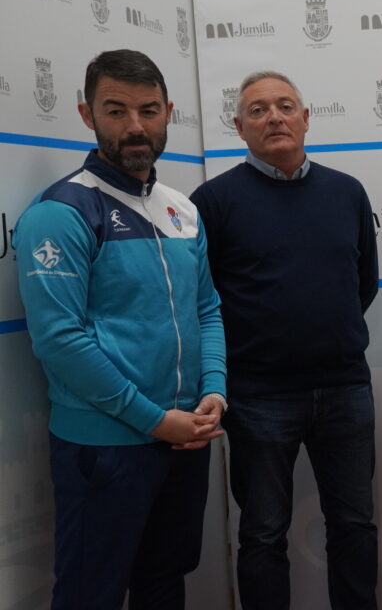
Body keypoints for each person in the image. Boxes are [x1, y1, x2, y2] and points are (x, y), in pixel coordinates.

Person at [14, 49, 227, 609]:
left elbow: (206, 309)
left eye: (149, 110)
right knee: (91, 593)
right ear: (87, 115)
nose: (136, 127)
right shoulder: (60, 212)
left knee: (163, 581)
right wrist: (154, 421)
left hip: (185, 435)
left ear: (168, 112)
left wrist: (214, 391)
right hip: (108, 444)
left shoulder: (182, 209)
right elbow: (61, 341)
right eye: (116, 110)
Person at [190, 71, 379, 610]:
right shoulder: (213, 201)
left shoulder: (347, 191)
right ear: (238, 127)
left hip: (345, 388)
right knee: (263, 534)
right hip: (257, 396)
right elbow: (204, 302)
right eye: (257, 110)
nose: (273, 117)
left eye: (285, 106)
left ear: (305, 117)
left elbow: (361, 283)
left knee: (354, 527)